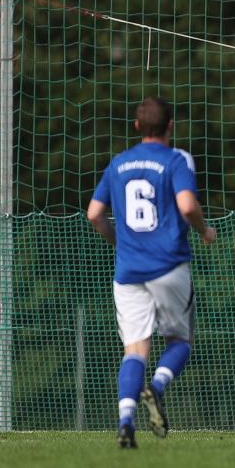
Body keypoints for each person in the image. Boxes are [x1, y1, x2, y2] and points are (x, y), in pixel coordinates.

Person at [87, 97, 217, 449]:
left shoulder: (118, 163)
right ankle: (157, 387)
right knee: (180, 340)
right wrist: (204, 230)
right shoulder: (175, 160)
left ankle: (125, 422)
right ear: (170, 125)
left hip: (128, 271)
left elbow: (94, 213)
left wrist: (119, 242)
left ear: (136, 126)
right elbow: (187, 205)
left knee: (134, 350)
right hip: (169, 265)